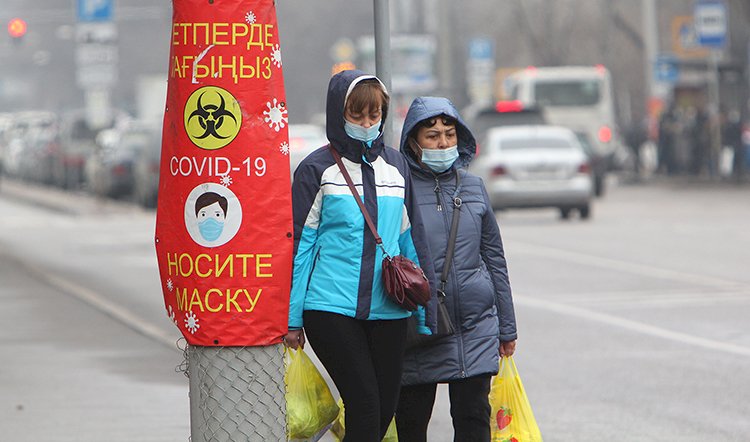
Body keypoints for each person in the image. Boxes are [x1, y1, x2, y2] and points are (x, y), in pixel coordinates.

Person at [283, 70, 437, 442]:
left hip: (389, 309)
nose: (368, 124)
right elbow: (301, 246)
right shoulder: (316, 171)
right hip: (330, 308)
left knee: (384, 410)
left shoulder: (398, 167)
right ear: (340, 114)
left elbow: (409, 240)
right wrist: (292, 318)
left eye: (375, 116)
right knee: (365, 404)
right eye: (358, 115)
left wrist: (423, 313)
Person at [395, 97, 518, 442]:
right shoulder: (397, 188)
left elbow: (494, 259)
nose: (443, 143)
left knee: (473, 420)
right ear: (413, 141)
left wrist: (506, 328)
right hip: (419, 327)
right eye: (432, 135)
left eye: (449, 134)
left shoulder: (474, 187)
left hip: (475, 327)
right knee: (412, 425)